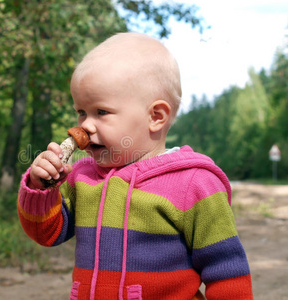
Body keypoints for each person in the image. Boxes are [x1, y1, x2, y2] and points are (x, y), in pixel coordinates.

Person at [17, 32, 253, 300]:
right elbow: (46, 233)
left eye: (101, 112)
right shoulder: (81, 178)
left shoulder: (193, 183)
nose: (84, 125)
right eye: (81, 111)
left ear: (155, 116)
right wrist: (41, 188)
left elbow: (226, 270)